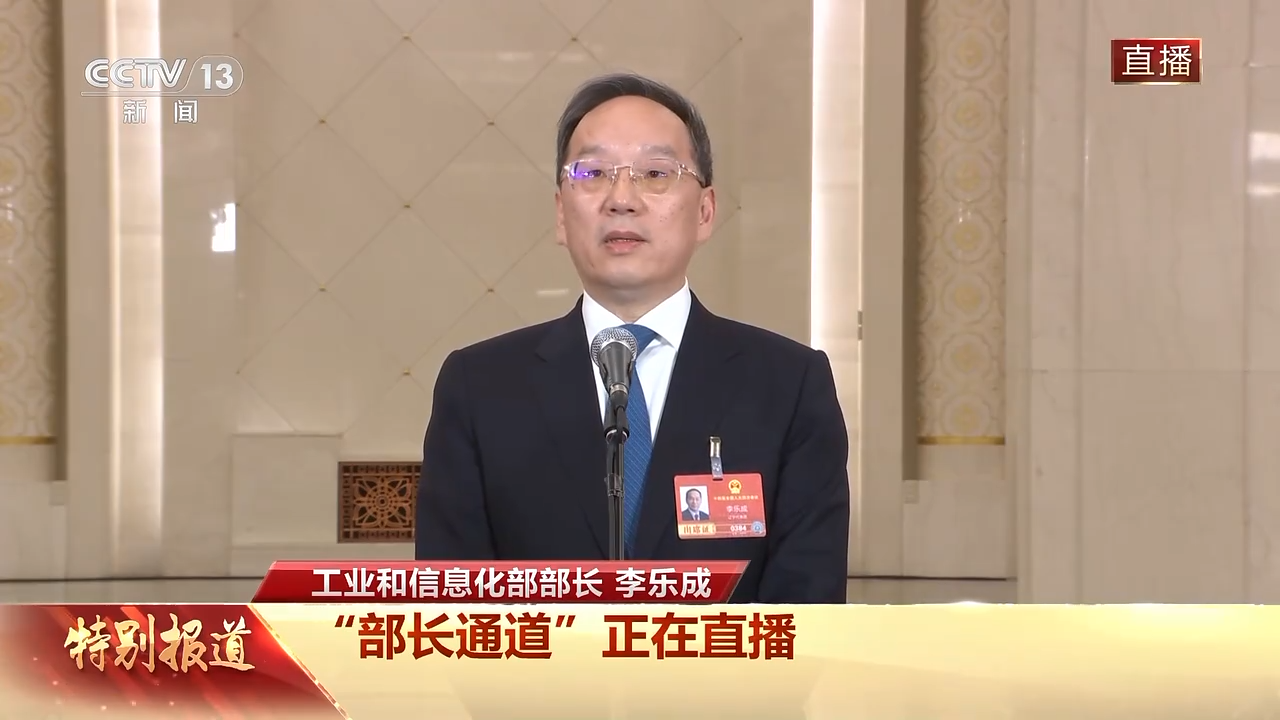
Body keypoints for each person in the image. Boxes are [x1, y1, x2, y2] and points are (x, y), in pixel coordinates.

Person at [416, 72, 850, 604]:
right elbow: (452, 606)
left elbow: (807, 609)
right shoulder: (479, 388)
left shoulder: (789, 386)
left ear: (705, 212)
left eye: (656, 173)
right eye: (593, 173)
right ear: (561, 213)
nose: (621, 199)